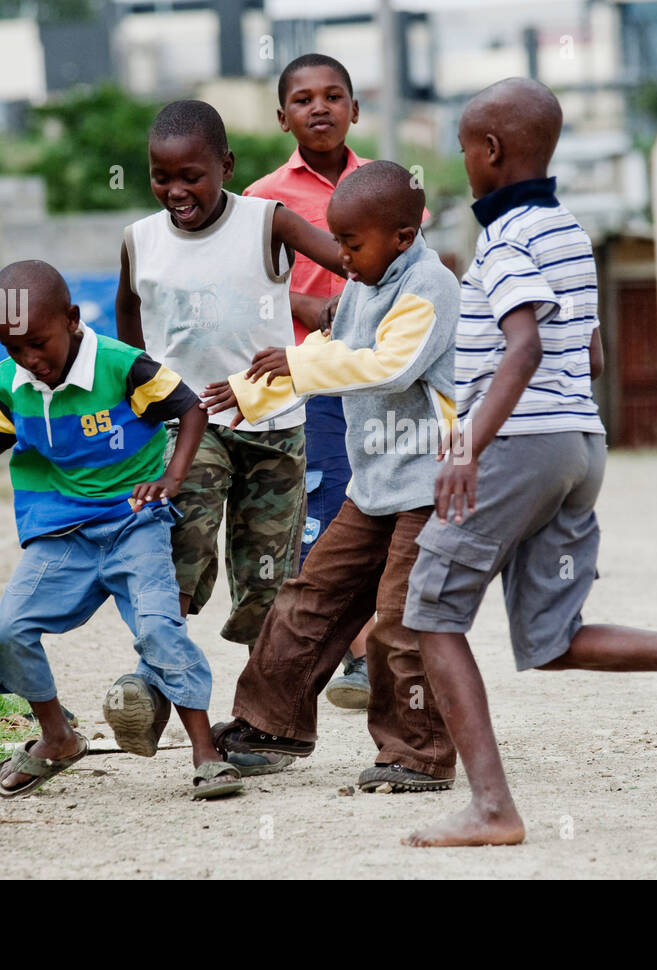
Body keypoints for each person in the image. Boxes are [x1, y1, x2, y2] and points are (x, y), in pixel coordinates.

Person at [400, 79, 657, 847]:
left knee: (431, 611)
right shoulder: (568, 229)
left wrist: (468, 443)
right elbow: (591, 348)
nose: (463, 162)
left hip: (520, 444)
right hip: (579, 444)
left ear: (491, 153)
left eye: (466, 149)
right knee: (551, 637)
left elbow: (524, 346)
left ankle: (493, 809)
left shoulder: (505, 240)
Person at [0, 260, 244, 800]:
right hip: (61, 533)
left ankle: (205, 751)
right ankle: (57, 738)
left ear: (71, 319)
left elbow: (190, 411)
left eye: (37, 343)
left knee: (160, 629)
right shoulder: (7, 383)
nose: (29, 359)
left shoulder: (123, 366)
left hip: (133, 524)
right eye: (11, 347)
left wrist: (172, 476)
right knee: (6, 631)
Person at [204, 161, 460, 791]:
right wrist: (250, 390)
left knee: (402, 624)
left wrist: (295, 367)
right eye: (339, 241)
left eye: (352, 244)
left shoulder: (430, 284)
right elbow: (325, 349)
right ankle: (271, 725)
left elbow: (390, 366)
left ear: (401, 236)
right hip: (373, 487)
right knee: (307, 600)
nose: (341, 257)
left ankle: (418, 753)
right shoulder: (361, 287)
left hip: (430, 490)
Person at [115, 100, 345, 773]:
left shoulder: (265, 220)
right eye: (161, 178)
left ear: (227, 167)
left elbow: (342, 256)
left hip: (275, 424)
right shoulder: (139, 241)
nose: (176, 191)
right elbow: (130, 317)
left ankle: (266, 724)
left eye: (192, 175)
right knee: (181, 543)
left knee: (268, 580)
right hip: (192, 422)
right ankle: (154, 683)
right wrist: (145, 397)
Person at [244, 53, 372, 710]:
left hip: (381, 378)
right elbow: (249, 289)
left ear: (355, 108)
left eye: (333, 95)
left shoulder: (383, 187)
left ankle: (361, 652)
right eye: (303, 99)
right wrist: (304, 307)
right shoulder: (264, 199)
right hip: (308, 380)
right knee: (325, 509)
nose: (318, 107)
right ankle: (343, 654)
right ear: (282, 116)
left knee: (385, 508)